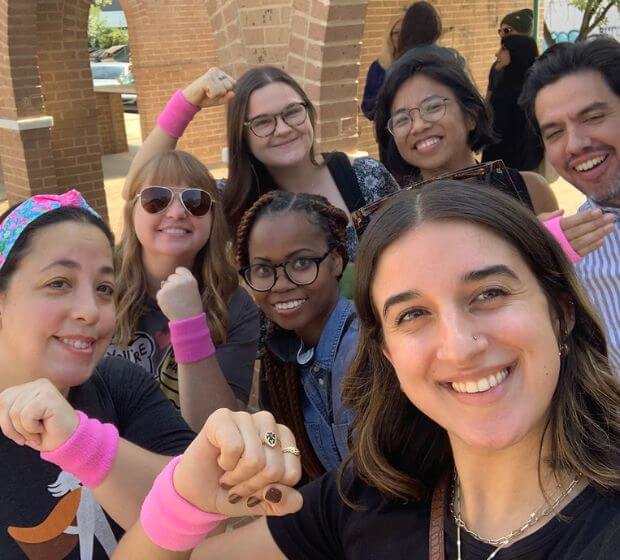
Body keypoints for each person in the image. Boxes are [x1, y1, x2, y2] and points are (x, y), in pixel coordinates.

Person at [112, 182, 620, 559]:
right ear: (387, 353)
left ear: (561, 310)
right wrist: (185, 499)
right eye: (412, 314)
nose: (460, 345)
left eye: (489, 294)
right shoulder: (370, 497)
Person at [0, 191, 195, 560]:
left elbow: (207, 520)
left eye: (104, 289)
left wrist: (80, 443)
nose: (91, 312)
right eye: (58, 283)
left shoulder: (119, 384)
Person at [123, 66, 400, 260]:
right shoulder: (229, 200)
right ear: (242, 135)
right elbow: (137, 187)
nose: (282, 129)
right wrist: (188, 101)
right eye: (263, 122)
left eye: (292, 112)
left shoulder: (366, 179)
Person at [373, 48, 614, 262]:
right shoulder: (395, 221)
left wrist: (549, 253)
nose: (418, 126)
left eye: (433, 107)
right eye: (402, 119)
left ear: (471, 115)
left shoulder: (529, 189)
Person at [108, 151, 259, 432]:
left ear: (213, 218)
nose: (177, 212)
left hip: (186, 468)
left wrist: (188, 324)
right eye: (156, 199)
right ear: (131, 212)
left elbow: (217, 429)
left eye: (195, 201)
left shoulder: (235, 306)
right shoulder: (99, 284)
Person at [235, 191, 358, 479]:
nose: (280, 284)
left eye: (301, 263)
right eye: (263, 269)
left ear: (337, 260)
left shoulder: (364, 352)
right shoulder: (282, 360)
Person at [519, 37, 620, 376]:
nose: (575, 144)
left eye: (592, 116)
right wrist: (532, 259)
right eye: (554, 132)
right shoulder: (571, 255)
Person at [482, 34, 543, 171]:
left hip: (506, 165)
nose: (497, 53)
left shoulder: (509, 91)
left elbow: (496, 129)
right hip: (525, 162)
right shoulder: (532, 85)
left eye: (503, 49)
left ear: (517, 53)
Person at [360, 12, 403, 120]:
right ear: (390, 36)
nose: (402, 37)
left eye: (406, 32)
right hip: (388, 128)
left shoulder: (419, 65)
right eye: (397, 33)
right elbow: (368, 108)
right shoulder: (378, 67)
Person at [488, 8, 534, 95]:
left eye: (507, 30)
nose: (502, 34)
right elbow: (489, 99)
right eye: (500, 31)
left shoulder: (537, 68)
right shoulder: (498, 66)